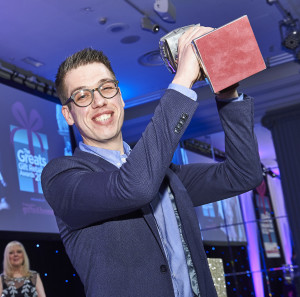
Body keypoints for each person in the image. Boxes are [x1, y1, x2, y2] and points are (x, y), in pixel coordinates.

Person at [41, 26, 263, 297]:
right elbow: (134, 186)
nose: (99, 101)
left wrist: (226, 92)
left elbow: (243, 174)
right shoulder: (61, 178)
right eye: (83, 96)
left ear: (120, 98)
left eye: (106, 88)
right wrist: (183, 80)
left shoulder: (165, 174)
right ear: (68, 114)